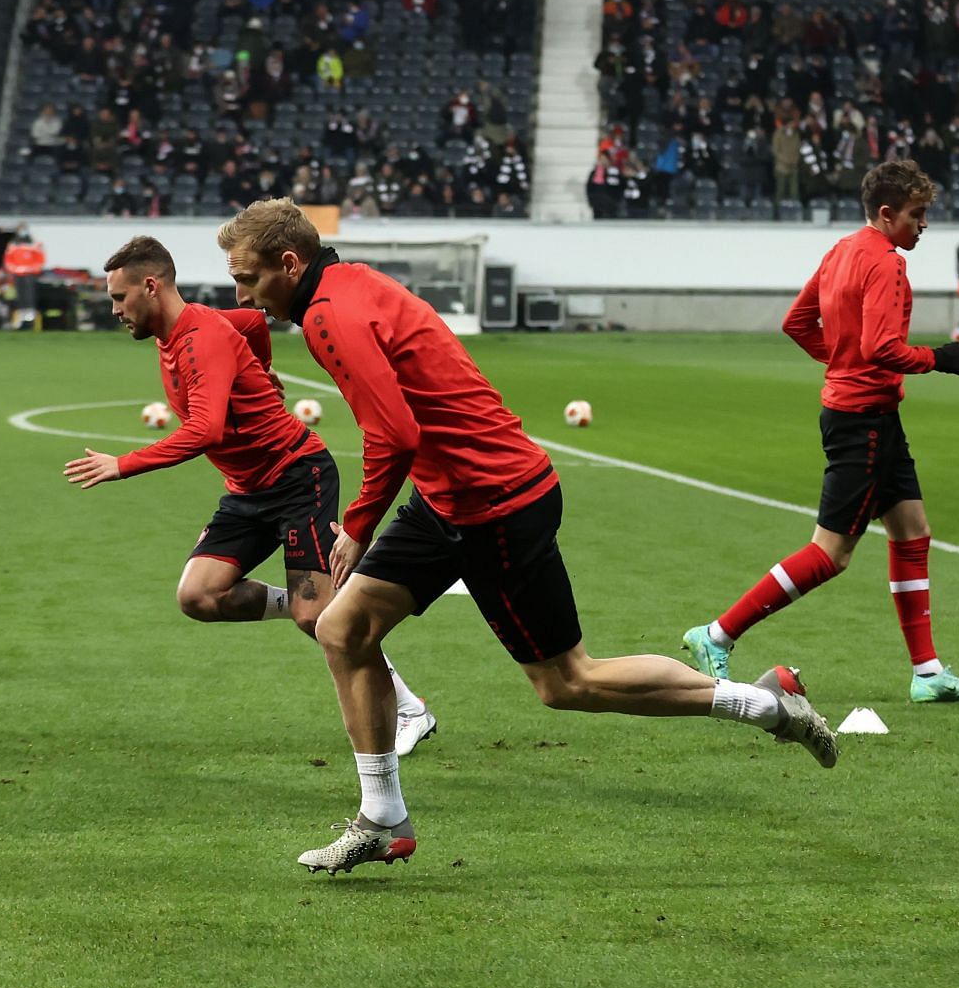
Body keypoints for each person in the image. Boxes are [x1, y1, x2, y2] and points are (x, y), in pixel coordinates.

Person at [215, 200, 838, 875]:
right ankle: (383, 819)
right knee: (343, 630)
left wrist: (358, 525)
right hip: (449, 498)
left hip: (495, 505)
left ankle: (768, 704)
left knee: (568, 683)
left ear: (290, 263)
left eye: (248, 278)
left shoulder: (330, 315)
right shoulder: (347, 286)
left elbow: (396, 433)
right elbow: (250, 333)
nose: (243, 294)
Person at [65, 236, 436, 756]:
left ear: (151, 286)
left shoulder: (199, 340)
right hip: (247, 490)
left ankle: (409, 709)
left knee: (318, 620)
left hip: (296, 476)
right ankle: (312, 601)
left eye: (120, 298)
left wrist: (122, 464)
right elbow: (254, 324)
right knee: (198, 597)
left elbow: (204, 431)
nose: (115, 310)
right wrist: (261, 370)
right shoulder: (184, 329)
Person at [681, 160, 959, 705]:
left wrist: (842, 360)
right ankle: (716, 634)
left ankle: (927, 672)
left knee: (912, 532)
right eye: (917, 216)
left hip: (871, 417)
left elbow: (797, 323)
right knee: (831, 553)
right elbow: (882, 350)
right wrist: (939, 359)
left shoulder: (842, 250)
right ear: (888, 213)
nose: (923, 226)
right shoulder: (887, 265)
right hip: (862, 422)